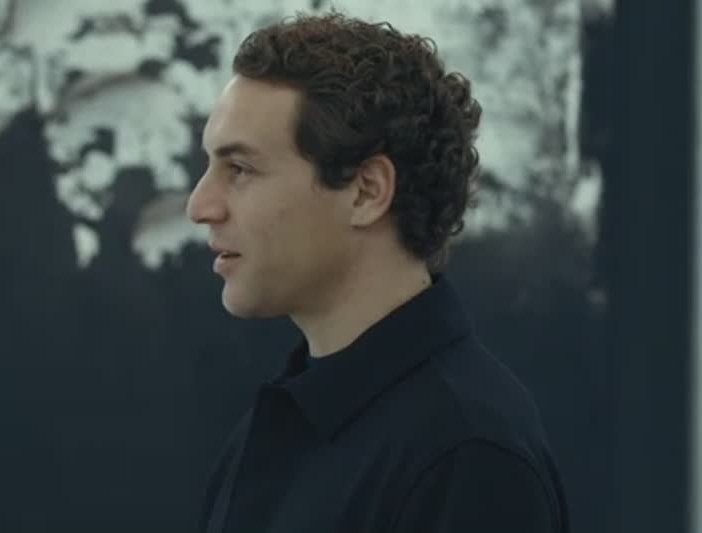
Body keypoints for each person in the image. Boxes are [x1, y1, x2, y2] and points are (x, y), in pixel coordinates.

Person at [186, 12, 569, 533]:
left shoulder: (468, 456)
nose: (200, 205)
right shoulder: (279, 424)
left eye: (240, 169)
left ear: (367, 192)